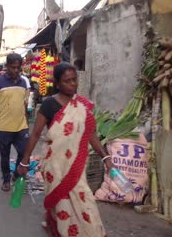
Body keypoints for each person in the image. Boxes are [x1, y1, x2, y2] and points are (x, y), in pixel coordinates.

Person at [17, 63, 114, 237]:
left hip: (75, 166)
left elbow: (90, 134)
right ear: (57, 83)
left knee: (84, 200)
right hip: (55, 166)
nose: (72, 84)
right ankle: (60, 230)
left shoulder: (82, 106)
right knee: (61, 203)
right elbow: (35, 134)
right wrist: (24, 161)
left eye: (74, 80)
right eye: (66, 81)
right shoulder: (48, 105)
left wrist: (105, 157)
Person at [0, 53, 29, 192]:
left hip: (21, 126)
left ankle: (16, 174)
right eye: (13, 67)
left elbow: (24, 104)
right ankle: (6, 179)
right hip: (3, 127)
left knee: (23, 152)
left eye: (18, 68)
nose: (16, 71)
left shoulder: (24, 82)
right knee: (4, 156)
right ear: (7, 66)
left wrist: (27, 124)